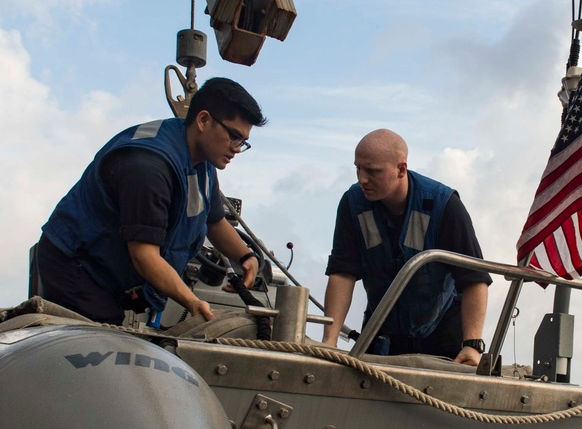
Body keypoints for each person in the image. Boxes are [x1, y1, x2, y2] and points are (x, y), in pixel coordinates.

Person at [36, 77, 266, 325]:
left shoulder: (204, 163)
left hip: (111, 270)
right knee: (101, 342)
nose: (237, 149)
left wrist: (245, 257)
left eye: (243, 142)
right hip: (76, 264)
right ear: (203, 120)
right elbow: (144, 256)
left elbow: (215, 221)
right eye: (234, 137)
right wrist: (191, 301)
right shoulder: (148, 167)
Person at [322, 129, 491, 365]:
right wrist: (329, 341)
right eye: (358, 168)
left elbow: (474, 278)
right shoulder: (353, 204)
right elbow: (343, 272)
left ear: (401, 169)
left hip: (443, 337)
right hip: (381, 336)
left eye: (372, 171)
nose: (362, 179)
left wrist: (472, 345)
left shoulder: (444, 205)